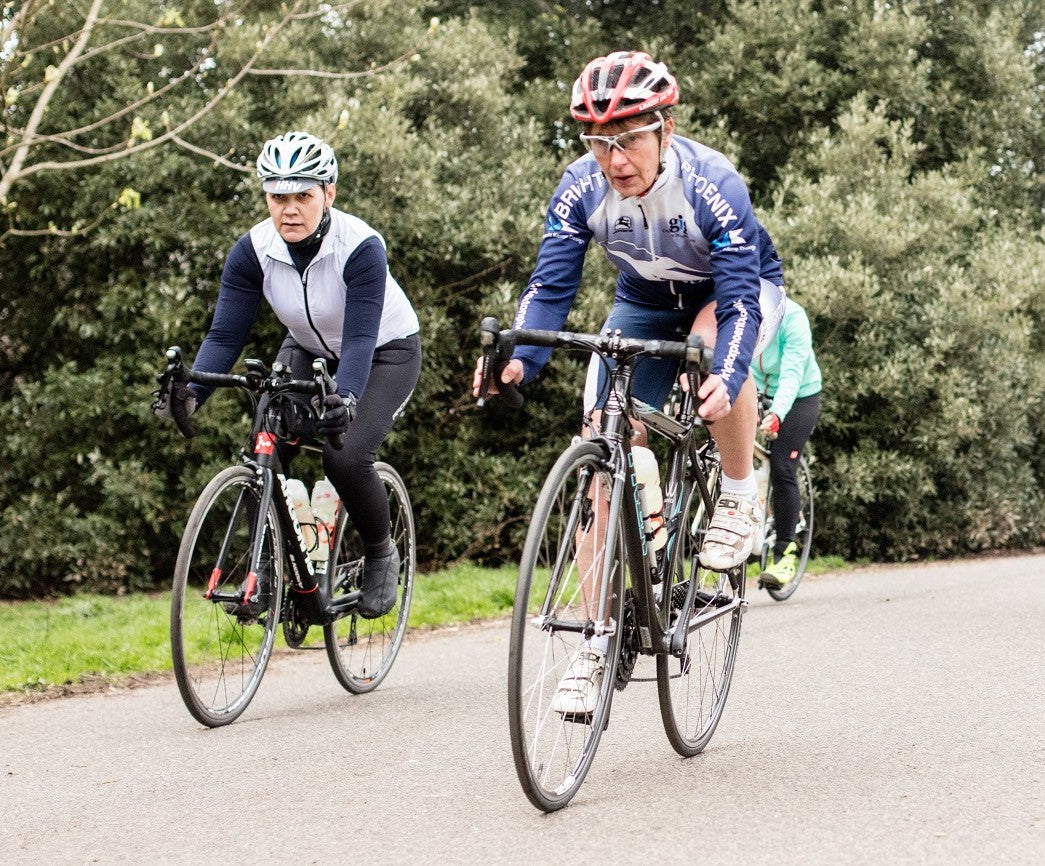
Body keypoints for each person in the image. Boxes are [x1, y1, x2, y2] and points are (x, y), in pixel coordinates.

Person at [477, 50, 784, 716]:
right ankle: (595, 641)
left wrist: (727, 377)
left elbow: (739, 305)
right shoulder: (578, 187)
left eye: (628, 140)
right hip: (642, 298)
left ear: (664, 130)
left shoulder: (713, 184)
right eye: (598, 142)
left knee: (710, 351)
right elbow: (549, 287)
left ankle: (736, 493)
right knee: (601, 446)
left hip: (727, 294)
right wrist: (519, 359)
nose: (615, 160)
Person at [155, 131, 422, 618]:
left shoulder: (361, 247)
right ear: (266, 197)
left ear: (329, 194)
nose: (290, 209)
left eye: (304, 194)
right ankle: (272, 568)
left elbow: (360, 340)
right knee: (265, 444)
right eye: (279, 196)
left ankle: (382, 552)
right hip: (308, 346)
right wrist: (192, 392)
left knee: (345, 459)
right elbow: (224, 337)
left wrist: (346, 398)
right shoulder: (252, 250)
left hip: (385, 353)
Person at [753, 299, 822, 589]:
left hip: (800, 397)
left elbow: (792, 375)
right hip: (755, 389)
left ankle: (784, 553)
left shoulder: (793, 318)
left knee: (782, 466)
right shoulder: (740, 308)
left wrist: (777, 414)